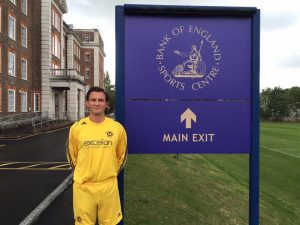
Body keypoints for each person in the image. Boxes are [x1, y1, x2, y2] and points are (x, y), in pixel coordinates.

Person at [67, 86, 127, 225]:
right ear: (87, 102)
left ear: (106, 104)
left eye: (101, 100)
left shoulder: (117, 128)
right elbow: (72, 156)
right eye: (93, 99)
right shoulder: (77, 128)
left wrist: (109, 173)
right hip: (84, 188)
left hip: (108, 186)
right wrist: (84, 174)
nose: (97, 103)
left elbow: (121, 157)